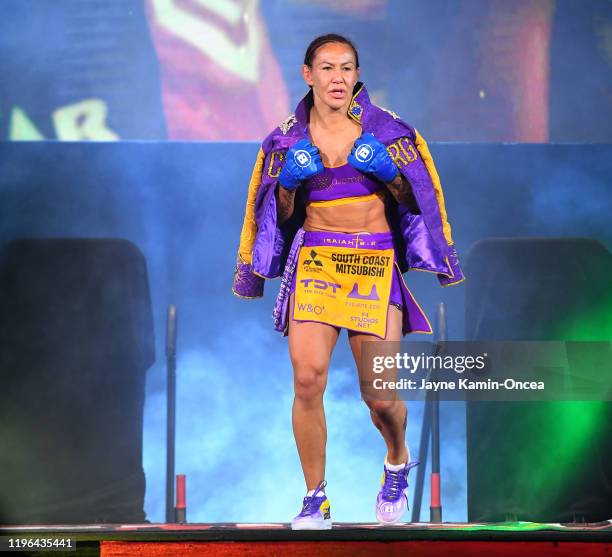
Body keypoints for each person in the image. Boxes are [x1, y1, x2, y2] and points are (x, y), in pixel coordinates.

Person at [232, 33, 464, 529]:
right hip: (316, 263)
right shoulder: (285, 139)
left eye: (347, 68)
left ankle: (397, 460)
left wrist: (390, 172)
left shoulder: (388, 131)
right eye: (328, 68)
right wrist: (291, 185)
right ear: (308, 74)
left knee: (380, 396)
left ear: (357, 75)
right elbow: (280, 216)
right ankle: (315, 498)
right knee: (306, 378)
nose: (338, 78)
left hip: (373, 266)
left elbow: (414, 200)